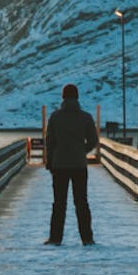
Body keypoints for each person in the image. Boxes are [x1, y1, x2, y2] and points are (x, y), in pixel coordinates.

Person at [41, 83, 98, 246]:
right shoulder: (86, 117)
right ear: (77, 97)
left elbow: (49, 142)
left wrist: (50, 162)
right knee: (81, 202)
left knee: (59, 203)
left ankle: (55, 238)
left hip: (59, 164)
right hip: (79, 165)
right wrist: (82, 150)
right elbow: (93, 140)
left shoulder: (55, 117)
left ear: (63, 97)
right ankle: (87, 238)